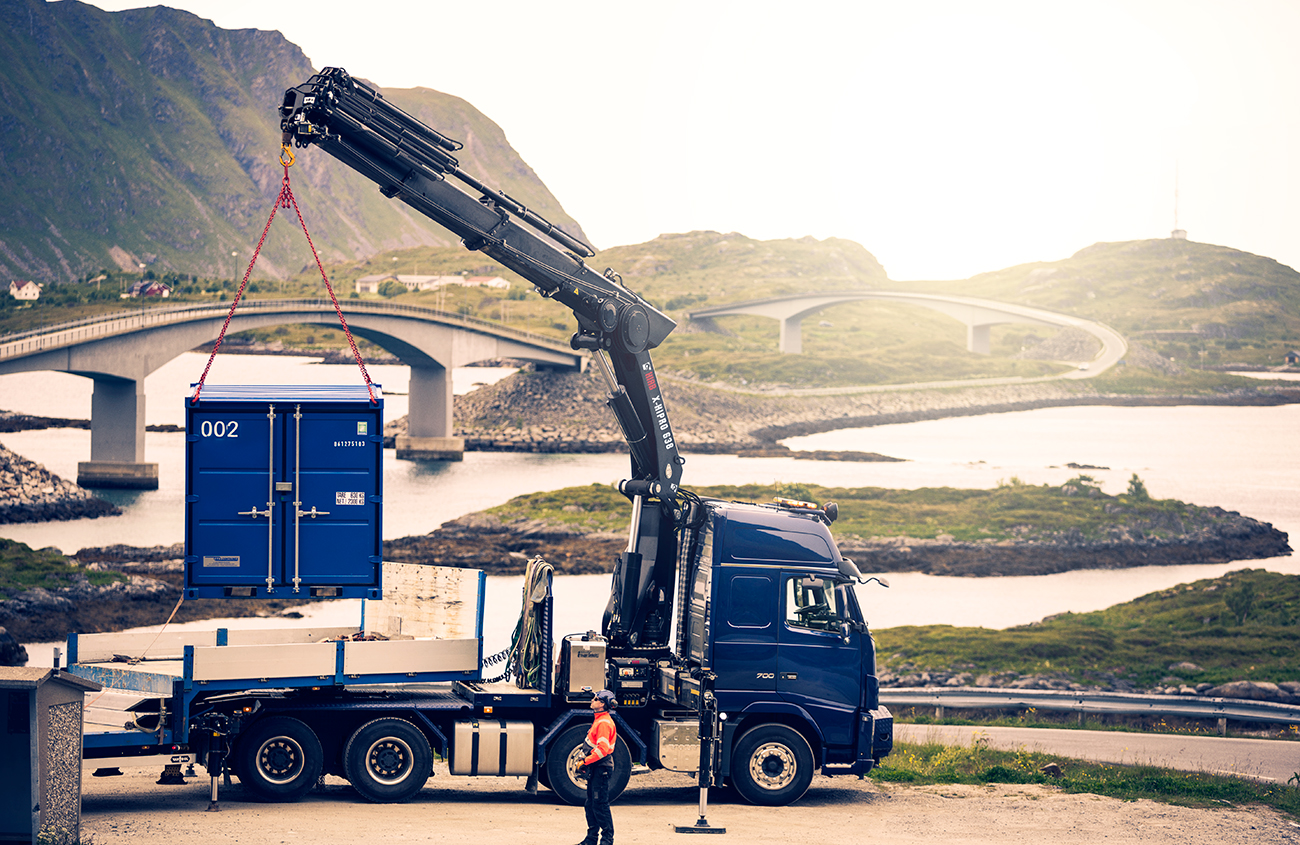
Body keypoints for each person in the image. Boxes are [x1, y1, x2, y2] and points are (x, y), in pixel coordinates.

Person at [576, 689, 617, 845]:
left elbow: (602, 749)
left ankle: (607, 840)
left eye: (596, 698)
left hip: (601, 768)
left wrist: (585, 762)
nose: (592, 700)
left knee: (600, 804)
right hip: (596, 767)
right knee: (591, 804)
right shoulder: (599, 719)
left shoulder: (604, 723)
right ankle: (591, 839)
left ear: (602, 704)